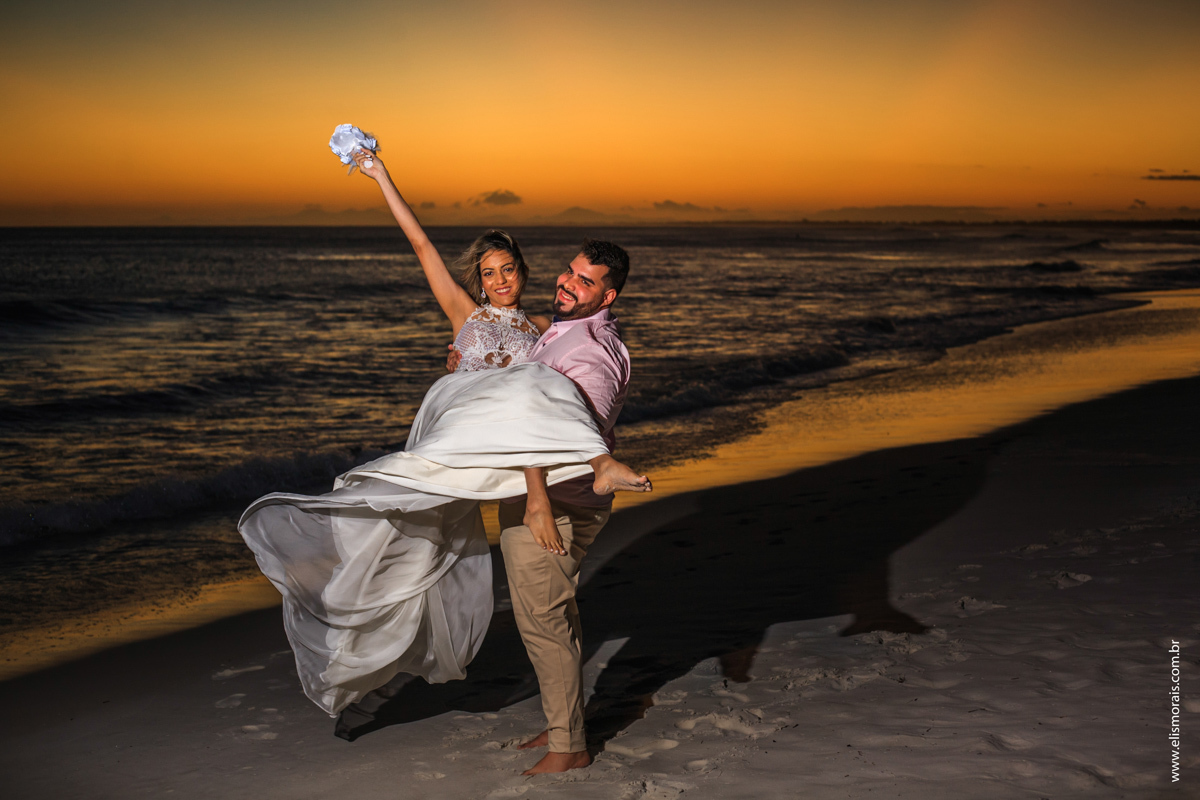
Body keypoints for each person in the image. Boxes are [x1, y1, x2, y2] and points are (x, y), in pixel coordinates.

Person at [237, 149, 648, 746]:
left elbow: (547, 404)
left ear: (524, 272)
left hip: (499, 465)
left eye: (508, 269)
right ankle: (341, 584)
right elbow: (423, 248)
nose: (500, 280)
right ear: (476, 281)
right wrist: (381, 175)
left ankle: (547, 720)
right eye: (488, 272)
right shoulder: (466, 316)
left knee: (445, 561)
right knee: (396, 541)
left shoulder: (545, 335)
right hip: (457, 445)